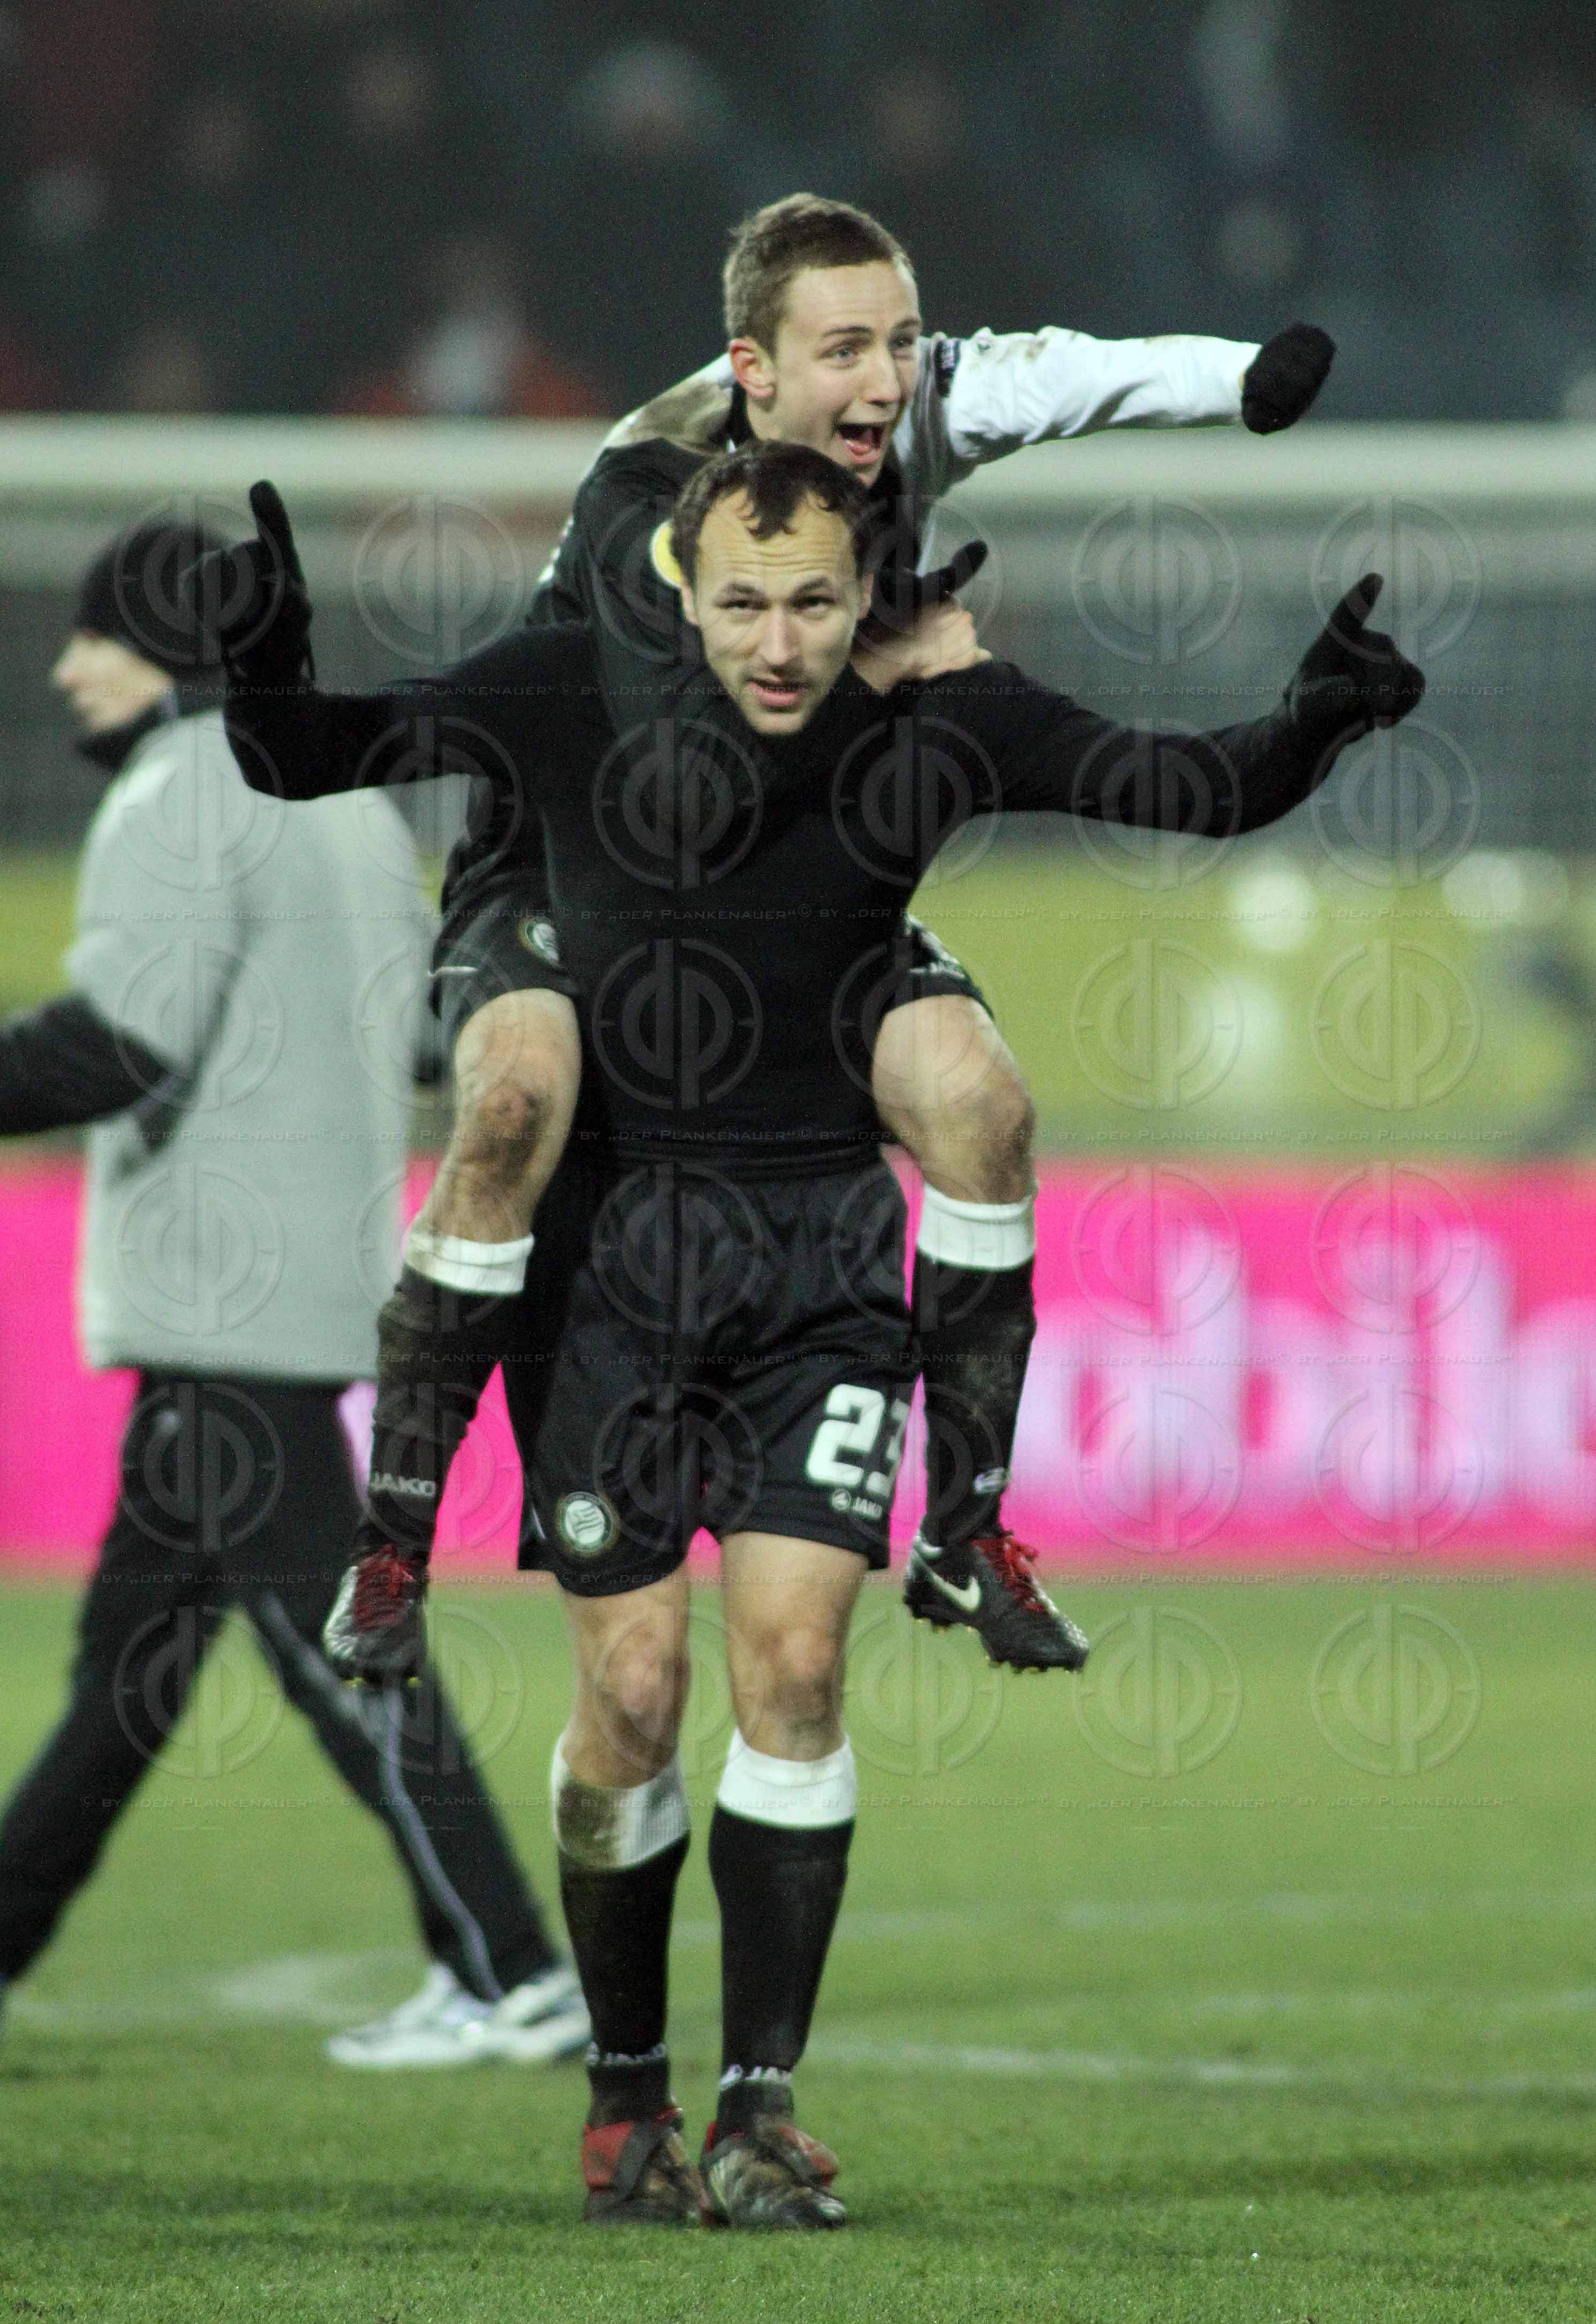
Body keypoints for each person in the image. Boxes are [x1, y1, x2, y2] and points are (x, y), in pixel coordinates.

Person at [214, 442, 1421, 2223]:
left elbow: (1185, 783)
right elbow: (312, 751)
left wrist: (1315, 720)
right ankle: (625, 2093)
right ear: (683, 593)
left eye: (810, 603)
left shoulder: (934, 720)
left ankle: (759, 2107)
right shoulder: (566, 688)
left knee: (792, 1669)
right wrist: (263, 659)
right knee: (633, 1691)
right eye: (742, 603)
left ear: (866, 599)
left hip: (822, 1269)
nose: (776, 642)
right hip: (609, 1275)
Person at [340, 193, 1337, 1679]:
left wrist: (1239, 379)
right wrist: (889, 663)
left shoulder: (893, 401)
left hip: (788, 873)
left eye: (902, 345)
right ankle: (391, 1544)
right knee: (516, 1096)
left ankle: (967, 1531)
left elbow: (1060, 374)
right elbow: (685, 777)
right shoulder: (646, 495)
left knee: (979, 1099)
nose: (886, 384)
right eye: (848, 354)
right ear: (753, 371)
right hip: (571, 867)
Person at [0, 518, 589, 2072]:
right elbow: (422, 1037)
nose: (69, 666)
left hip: (221, 1311)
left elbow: (119, 1046)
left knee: (347, 1664)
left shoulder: (177, 790)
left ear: (162, 648)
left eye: (97, 633)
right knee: (125, 1688)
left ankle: (513, 1968)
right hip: (304, 1290)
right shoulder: (342, 803)